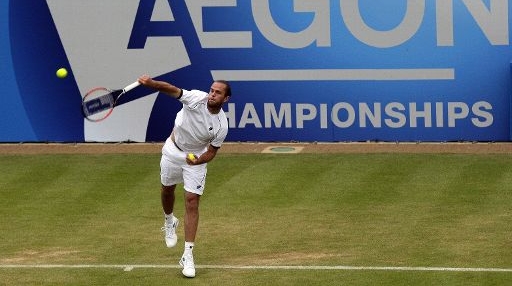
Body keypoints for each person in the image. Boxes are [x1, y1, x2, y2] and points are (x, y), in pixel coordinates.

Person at [137, 75, 231, 278]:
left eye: (218, 93)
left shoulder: (221, 125)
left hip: (195, 158)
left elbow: (212, 153)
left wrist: (198, 161)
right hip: (173, 150)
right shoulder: (196, 98)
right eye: (212, 90)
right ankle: (169, 221)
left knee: (191, 201)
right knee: (167, 190)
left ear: (226, 99)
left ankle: (188, 255)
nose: (212, 94)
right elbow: (172, 89)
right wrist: (151, 83)